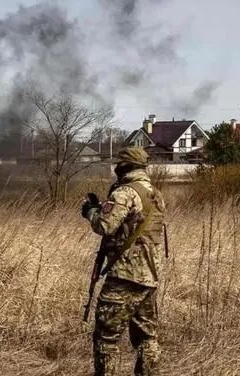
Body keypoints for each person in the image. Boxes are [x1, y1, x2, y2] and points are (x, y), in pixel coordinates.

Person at [81, 147, 166, 376]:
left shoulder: (125, 193)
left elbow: (104, 225)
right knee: (147, 338)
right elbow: (131, 225)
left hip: (124, 277)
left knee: (106, 337)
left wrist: (90, 211)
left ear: (125, 166)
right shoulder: (155, 193)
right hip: (149, 277)